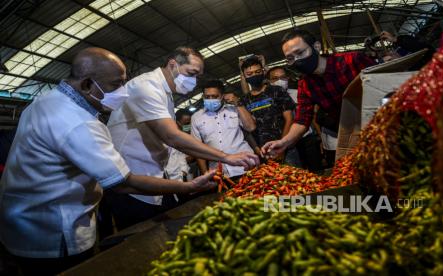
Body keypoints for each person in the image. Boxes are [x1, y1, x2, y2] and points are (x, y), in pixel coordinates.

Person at [0, 48, 216, 276]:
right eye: (116, 85)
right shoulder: (79, 123)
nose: (123, 92)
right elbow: (125, 183)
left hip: (20, 220)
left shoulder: (46, 101)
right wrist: (188, 187)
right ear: (87, 85)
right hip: (52, 230)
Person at [106, 47, 259, 229]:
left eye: (197, 76)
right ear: (173, 64)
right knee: (143, 236)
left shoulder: (165, 93)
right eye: (191, 73)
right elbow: (172, 136)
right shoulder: (146, 87)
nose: (193, 81)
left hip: (153, 178)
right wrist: (225, 157)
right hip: (132, 184)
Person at [262, 29, 376, 163]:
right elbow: (302, 120)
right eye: (290, 58)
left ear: (316, 47)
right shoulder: (305, 85)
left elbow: (384, 85)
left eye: (300, 53)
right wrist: (284, 142)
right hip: (350, 134)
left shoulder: (352, 60)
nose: (297, 60)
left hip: (380, 122)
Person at [191, 80, 256, 179]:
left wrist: (238, 104)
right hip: (219, 172)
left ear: (222, 96)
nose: (210, 99)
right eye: (207, 97)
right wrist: (206, 174)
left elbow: (251, 127)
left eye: (214, 96)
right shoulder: (196, 117)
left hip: (246, 165)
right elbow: (197, 148)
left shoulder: (234, 109)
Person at [240, 56, 296, 163]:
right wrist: (256, 149)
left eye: (257, 72)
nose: (254, 75)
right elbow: (246, 130)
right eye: (249, 74)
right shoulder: (244, 101)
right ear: (244, 76)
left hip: (286, 148)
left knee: (297, 177)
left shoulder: (277, 90)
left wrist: (282, 145)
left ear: (263, 71)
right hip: (262, 152)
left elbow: (289, 119)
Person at [267, 66, 323, 172]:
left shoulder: (299, 93)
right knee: (297, 174)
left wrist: (320, 137)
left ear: (288, 78)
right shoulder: (268, 99)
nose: (280, 81)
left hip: (306, 139)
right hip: (286, 143)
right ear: (269, 81)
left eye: (283, 77)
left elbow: (312, 116)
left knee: (316, 171)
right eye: (275, 78)